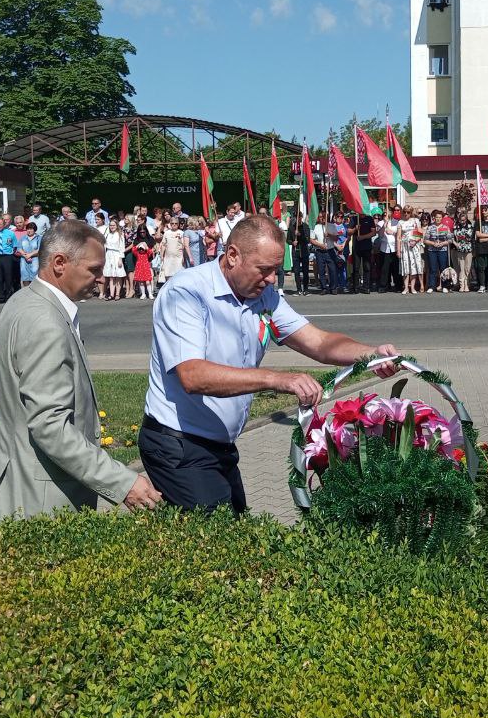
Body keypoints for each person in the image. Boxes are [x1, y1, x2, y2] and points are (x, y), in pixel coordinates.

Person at [140, 215, 399, 513]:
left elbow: (318, 342)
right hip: (179, 445)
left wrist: (371, 354)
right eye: (264, 269)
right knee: (218, 545)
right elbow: (193, 376)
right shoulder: (186, 292)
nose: (273, 279)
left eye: (276, 270)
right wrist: (277, 379)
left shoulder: (264, 296)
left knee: (233, 537)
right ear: (233, 255)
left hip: (218, 446)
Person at [0, 220, 162, 520]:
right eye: (94, 270)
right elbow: (50, 426)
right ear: (59, 263)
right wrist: (122, 482)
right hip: (37, 501)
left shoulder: (24, 301)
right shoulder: (45, 322)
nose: (100, 279)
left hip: (19, 484)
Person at [398, 209, 424, 296]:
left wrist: (415, 241)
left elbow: (420, 233)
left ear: (411, 213)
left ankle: (412, 287)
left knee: (413, 267)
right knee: (405, 267)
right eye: (404, 212)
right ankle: (406, 287)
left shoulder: (416, 221)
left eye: (408, 212)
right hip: (404, 247)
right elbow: (398, 237)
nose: (406, 214)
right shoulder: (400, 222)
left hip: (414, 246)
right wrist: (398, 250)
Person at [158, 218, 188, 284]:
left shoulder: (182, 233)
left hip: (179, 258)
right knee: (168, 276)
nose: (174, 225)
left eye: (176, 223)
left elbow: (184, 246)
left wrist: (184, 257)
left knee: (179, 275)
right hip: (168, 258)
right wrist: (161, 255)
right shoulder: (166, 233)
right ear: (170, 224)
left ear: (178, 224)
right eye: (172, 223)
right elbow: (163, 245)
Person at [102, 217, 126, 299]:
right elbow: (104, 246)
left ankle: (117, 294)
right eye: (110, 225)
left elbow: (121, 248)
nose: (112, 227)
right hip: (109, 254)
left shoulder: (120, 235)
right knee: (111, 276)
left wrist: (120, 259)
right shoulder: (107, 235)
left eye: (113, 225)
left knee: (118, 275)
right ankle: (111, 294)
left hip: (116, 255)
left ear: (117, 226)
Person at [451, 208, 474, 293]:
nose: (462, 222)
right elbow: (452, 237)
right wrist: (455, 243)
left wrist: (461, 237)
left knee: (467, 268)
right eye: (461, 220)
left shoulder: (470, 227)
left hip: (468, 249)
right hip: (459, 249)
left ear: (466, 219)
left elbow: (468, 237)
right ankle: (461, 285)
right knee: (461, 268)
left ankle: (467, 284)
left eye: (464, 220)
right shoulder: (455, 227)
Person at [132, 227, 155, 300]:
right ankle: (143, 294)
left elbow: (150, 252)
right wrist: (138, 245)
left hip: (146, 267)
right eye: (141, 232)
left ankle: (150, 293)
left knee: (148, 281)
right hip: (139, 267)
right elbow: (134, 250)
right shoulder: (138, 253)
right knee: (141, 282)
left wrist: (146, 247)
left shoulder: (146, 253)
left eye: (143, 232)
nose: (141, 250)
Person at [17, 220, 41, 288]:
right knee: (25, 276)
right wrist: (25, 255)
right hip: (24, 260)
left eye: (31, 229)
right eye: (27, 229)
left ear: (34, 230)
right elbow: (19, 248)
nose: (29, 231)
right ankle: (26, 292)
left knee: (34, 276)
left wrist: (30, 255)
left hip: (35, 259)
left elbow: (39, 249)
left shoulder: (39, 238)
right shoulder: (23, 238)